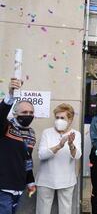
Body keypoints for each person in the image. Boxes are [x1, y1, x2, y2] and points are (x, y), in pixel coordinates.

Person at [36, 103, 82, 214]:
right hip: (45, 179)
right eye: (57, 117)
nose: (59, 120)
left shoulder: (76, 134)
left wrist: (71, 145)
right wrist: (59, 146)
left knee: (66, 210)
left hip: (66, 180)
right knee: (43, 210)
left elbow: (77, 155)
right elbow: (41, 155)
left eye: (62, 118)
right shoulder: (47, 133)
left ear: (70, 120)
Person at [0, 78, 36, 214]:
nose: (28, 115)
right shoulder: (6, 127)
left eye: (31, 113)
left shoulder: (31, 133)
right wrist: (10, 95)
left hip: (19, 187)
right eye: (24, 112)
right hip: (3, 187)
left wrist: (30, 181)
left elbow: (27, 159)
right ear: (15, 114)